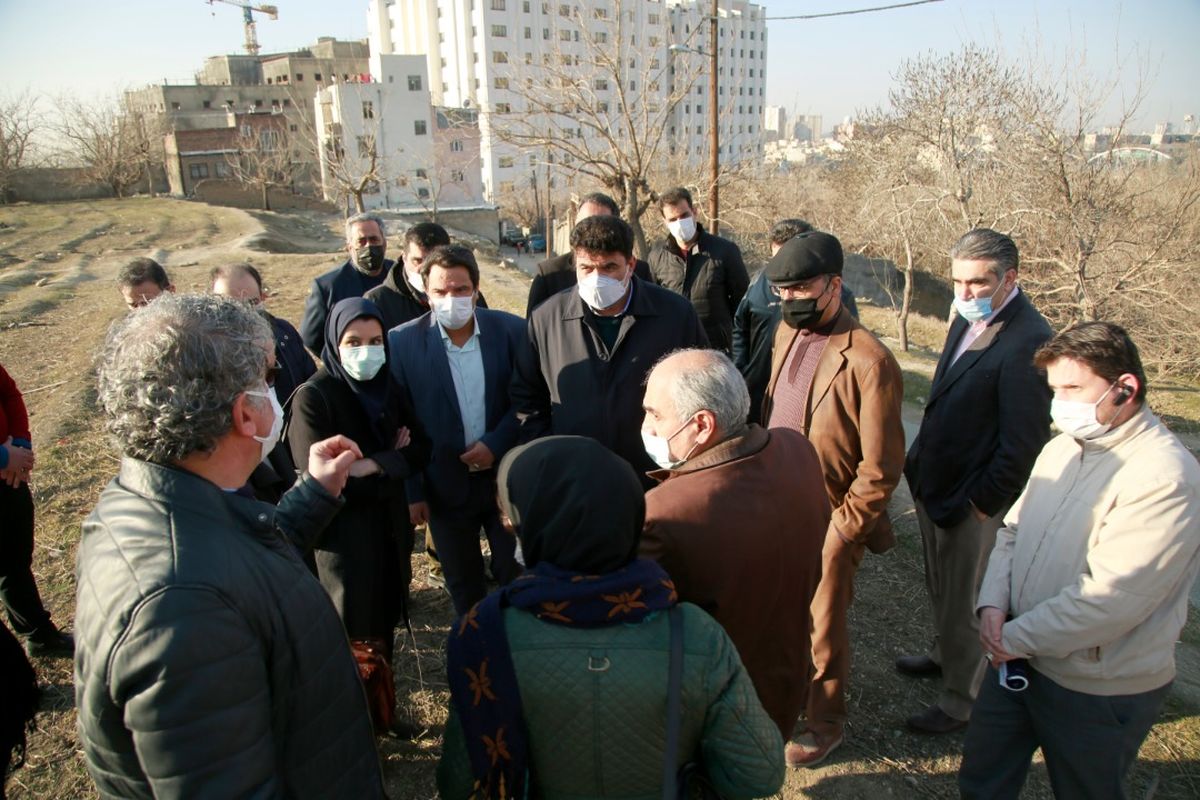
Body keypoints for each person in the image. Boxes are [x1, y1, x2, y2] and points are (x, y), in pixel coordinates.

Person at [76, 293, 385, 798]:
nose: (278, 388)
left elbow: (236, 557)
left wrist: (314, 493)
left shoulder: (171, 501)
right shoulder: (181, 613)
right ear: (246, 413)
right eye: (267, 377)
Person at [437, 436, 786, 799]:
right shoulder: (696, 634)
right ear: (631, 514)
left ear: (534, 525)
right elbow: (758, 774)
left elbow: (458, 783)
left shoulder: (483, 634)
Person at [960, 322, 1200, 799]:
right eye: (1054, 390)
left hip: (1095, 686)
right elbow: (1013, 531)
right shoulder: (1061, 449)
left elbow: (1109, 601)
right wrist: (992, 605)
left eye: (1073, 388)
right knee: (982, 780)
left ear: (1125, 388)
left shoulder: (1164, 478)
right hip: (1016, 658)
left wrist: (1011, 637)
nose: (1060, 405)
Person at [898, 228, 1053, 735]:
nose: (963, 295)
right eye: (957, 281)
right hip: (933, 484)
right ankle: (946, 657)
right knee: (941, 586)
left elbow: (1023, 444)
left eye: (977, 284)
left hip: (971, 501)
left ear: (1010, 278)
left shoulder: (1029, 340)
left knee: (968, 602)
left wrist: (983, 506)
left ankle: (961, 701)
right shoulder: (969, 316)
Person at [762, 231, 905, 767]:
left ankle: (825, 722)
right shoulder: (786, 332)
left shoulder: (871, 361)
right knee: (780, 611)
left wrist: (843, 530)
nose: (792, 300)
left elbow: (883, 466)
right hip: (776, 501)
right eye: (783, 291)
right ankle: (784, 698)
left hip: (830, 517)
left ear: (834, 285)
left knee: (823, 624)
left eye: (802, 288)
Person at [640, 349, 828, 740]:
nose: (646, 426)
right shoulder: (798, 450)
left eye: (654, 414)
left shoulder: (664, 514)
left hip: (713, 705)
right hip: (785, 681)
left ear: (703, 425)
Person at [511, 215, 707, 485]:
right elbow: (528, 399)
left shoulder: (674, 314)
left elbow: (702, 390)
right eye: (587, 268)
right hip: (574, 479)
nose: (597, 279)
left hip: (655, 478)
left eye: (609, 267)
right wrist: (549, 457)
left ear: (631, 265)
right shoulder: (546, 320)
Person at [288, 298, 430, 659]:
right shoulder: (314, 398)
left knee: (383, 634)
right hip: (343, 544)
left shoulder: (387, 388)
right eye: (353, 342)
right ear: (335, 344)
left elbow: (422, 449)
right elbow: (327, 485)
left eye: (375, 341)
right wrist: (392, 462)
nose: (365, 352)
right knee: (349, 642)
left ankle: (383, 711)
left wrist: (372, 464)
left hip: (389, 534)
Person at [389, 245, 525, 615]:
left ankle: (518, 649)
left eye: (461, 290)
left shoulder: (511, 331)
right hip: (443, 486)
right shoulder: (402, 343)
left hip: (504, 481)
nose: (452, 299)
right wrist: (413, 491)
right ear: (425, 294)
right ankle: (476, 655)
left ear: (477, 289)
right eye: (441, 292)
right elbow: (402, 422)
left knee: (516, 573)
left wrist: (495, 444)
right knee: (465, 585)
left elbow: (527, 402)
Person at [731, 219, 858, 423]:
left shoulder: (835, 295)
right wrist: (742, 369)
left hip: (809, 401)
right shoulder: (758, 284)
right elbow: (740, 327)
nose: (782, 273)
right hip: (756, 393)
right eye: (775, 261)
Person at [0, 364, 72, 658]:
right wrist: (4, 457)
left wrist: (20, 444)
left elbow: (9, 393)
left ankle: (38, 635)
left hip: (9, 477)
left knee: (15, 557)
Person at [647, 187, 749, 353]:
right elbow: (652, 304)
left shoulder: (724, 251)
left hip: (716, 349)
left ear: (694, 212)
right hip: (674, 349)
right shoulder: (656, 257)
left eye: (684, 215)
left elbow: (742, 303)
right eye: (673, 219)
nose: (680, 223)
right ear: (665, 222)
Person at [524, 192, 653, 316]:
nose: (590, 231)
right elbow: (535, 329)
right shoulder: (549, 274)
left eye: (601, 224)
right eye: (583, 224)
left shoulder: (639, 270)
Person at [210, 263, 316, 410]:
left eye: (251, 303)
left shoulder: (284, 333)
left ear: (262, 297)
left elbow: (311, 385)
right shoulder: (205, 350)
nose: (242, 312)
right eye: (230, 305)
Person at [300, 213, 395, 358]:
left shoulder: (399, 276)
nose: (369, 246)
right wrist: (340, 361)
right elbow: (311, 336)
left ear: (384, 243)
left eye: (374, 239)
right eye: (361, 241)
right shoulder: (328, 286)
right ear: (350, 247)